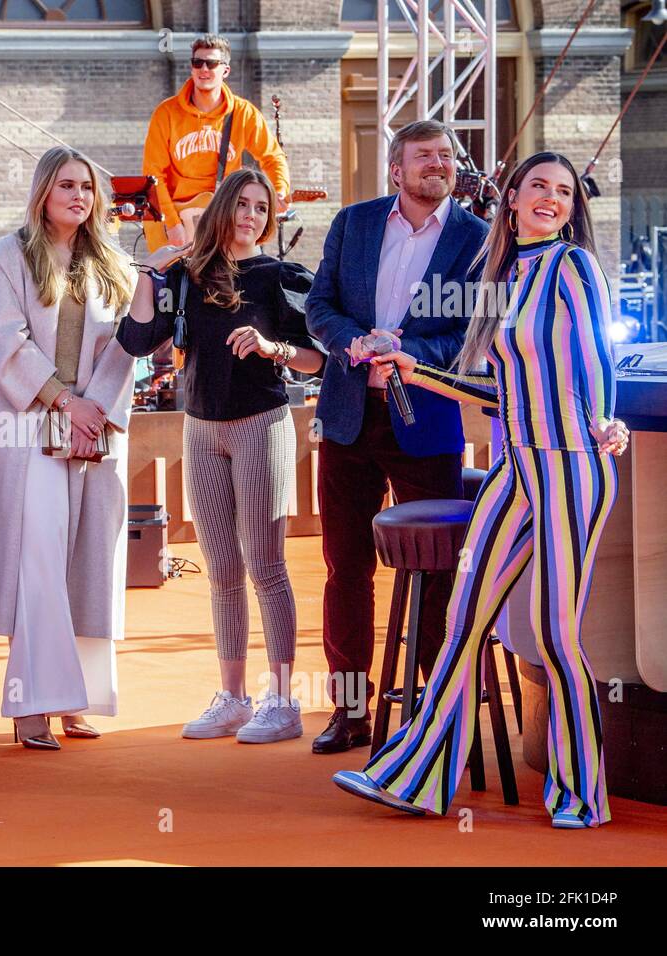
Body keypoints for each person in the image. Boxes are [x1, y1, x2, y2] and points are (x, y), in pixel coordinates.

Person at [334, 151, 630, 828]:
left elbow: (596, 353)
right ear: (514, 198)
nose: (551, 199)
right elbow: (495, 391)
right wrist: (413, 366)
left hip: (567, 465)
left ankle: (583, 794)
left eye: (562, 191)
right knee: (463, 621)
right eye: (539, 188)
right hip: (513, 471)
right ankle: (418, 780)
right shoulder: (506, 275)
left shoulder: (572, 266)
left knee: (556, 635)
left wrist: (607, 417)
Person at [118, 168, 324, 743]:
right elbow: (136, 341)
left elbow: (321, 357)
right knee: (223, 569)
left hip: (261, 424)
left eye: (263, 208)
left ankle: (282, 702)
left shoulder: (278, 276)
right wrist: (148, 271)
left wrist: (272, 348)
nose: (253, 216)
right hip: (200, 429)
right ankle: (232, 696)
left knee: (266, 564)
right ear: (223, 210)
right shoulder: (186, 276)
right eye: (244, 205)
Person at [304, 119, 489, 755]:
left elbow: (475, 339)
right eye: (424, 157)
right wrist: (350, 343)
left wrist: (412, 353)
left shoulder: (476, 239)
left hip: (427, 420)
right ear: (396, 169)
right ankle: (349, 713)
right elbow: (317, 305)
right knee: (345, 566)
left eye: (446, 156)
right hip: (349, 415)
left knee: (437, 570)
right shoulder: (353, 223)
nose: (439, 164)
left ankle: (428, 713)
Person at [0, 145, 136, 750]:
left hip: (94, 431)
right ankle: (31, 702)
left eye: (87, 187)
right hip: (28, 428)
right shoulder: (6, 257)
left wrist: (96, 410)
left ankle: (76, 698)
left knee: (88, 558)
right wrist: (65, 401)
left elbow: (125, 348)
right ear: (43, 192)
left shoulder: (112, 262)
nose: (78, 197)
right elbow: (5, 342)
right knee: (38, 558)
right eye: (66, 185)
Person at [142, 33, 290, 251]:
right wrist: (172, 223)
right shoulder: (166, 113)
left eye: (211, 63)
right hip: (175, 218)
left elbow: (272, 156)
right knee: (174, 284)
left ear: (225, 70)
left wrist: (279, 189)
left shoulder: (243, 113)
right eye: (197, 62)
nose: (204, 69)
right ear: (191, 67)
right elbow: (153, 174)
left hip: (224, 214)